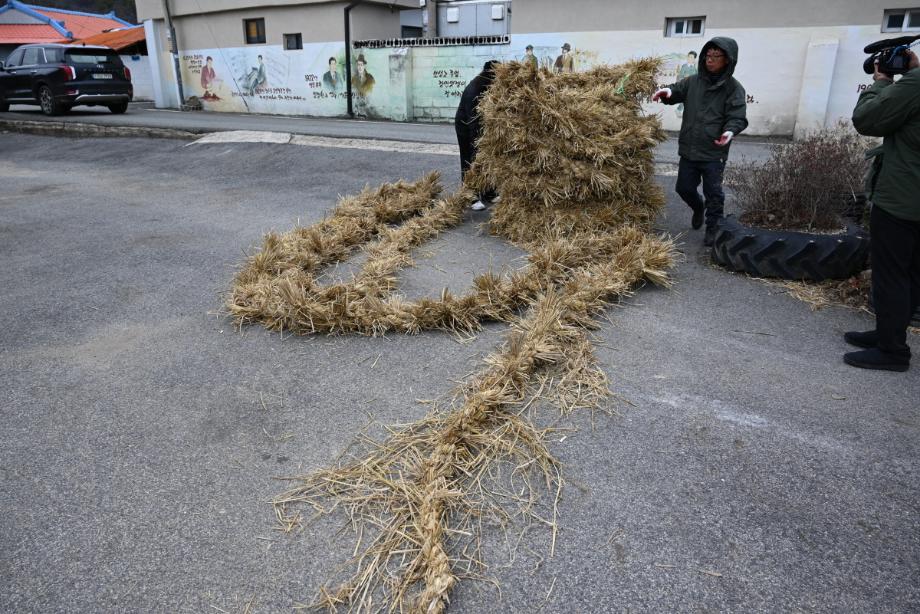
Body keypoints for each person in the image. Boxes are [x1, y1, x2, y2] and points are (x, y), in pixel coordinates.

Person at [844, 49, 920, 372]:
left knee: (891, 275)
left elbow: (867, 119)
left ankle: (892, 351)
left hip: (903, 197)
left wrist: (881, 81)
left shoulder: (915, 84)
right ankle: (888, 334)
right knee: (911, 273)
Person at [652, 37, 748, 246]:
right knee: (684, 189)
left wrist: (729, 132)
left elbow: (737, 117)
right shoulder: (693, 81)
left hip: (714, 151)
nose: (710, 60)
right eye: (708, 56)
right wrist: (667, 92)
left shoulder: (733, 88)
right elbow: (676, 90)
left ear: (728, 60)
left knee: (713, 193)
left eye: (716, 56)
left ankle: (713, 227)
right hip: (689, 149)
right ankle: (698, 207)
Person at [455, 60, 500, 211]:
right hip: (466, 127)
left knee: (486, 160)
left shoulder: (488, 85)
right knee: (469, 159)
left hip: (478, 127)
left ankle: (488, 192)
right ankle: (470, 196)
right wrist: (479, 142)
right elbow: (473, 120)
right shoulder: (476, 89)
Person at [675, 51, 697, 117]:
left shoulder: (695, 68)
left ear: (694, 59)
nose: (689, 58)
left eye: (691, 57)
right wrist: (684, 77)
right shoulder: (684, 66)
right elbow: (680, 76)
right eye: (689, 57)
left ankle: (681, 110)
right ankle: (679, 110)